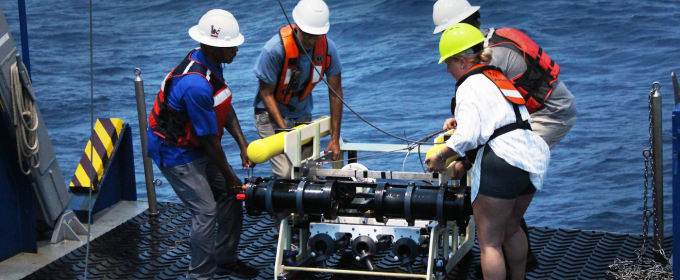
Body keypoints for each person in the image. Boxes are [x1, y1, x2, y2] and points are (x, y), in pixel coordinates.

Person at [432, 0, 578, 274]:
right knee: (507, 207)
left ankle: (508, 262)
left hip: (549, 115)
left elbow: (485, 127)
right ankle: (514, 260)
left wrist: (460, 161)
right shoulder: (490, 43)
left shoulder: (490, 59)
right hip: (533, 115)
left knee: (498, 211)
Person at [425, 24, 550, 280]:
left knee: (490, 242)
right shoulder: (496, 76)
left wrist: (441, 157)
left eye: (448, 63)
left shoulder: (467, 85)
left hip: (502, 161)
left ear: (461, 61)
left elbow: (469, 137)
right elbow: (502, 118)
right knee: (512, 230)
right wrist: (459, 122)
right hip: (530, 155)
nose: (447, 69)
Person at [146, 9, 258, 280]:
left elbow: (222, 105)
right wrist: (230, 176)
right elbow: (209, 141)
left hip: (196, 145)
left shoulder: (210, 62)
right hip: (175, 153)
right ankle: (199, 276)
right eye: (230, 46)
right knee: (206, 210)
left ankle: (225, 259)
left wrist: (243, 143)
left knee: (234, 196)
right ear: (211, 46)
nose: (235, 50)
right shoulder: (195, 84)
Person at [252, 0, 343, 179]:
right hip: (270, 116)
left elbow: (336, 93)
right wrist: (285, 133)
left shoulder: (328, 50)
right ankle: (279, 204)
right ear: (297, 27)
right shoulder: (274, 50)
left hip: (302, 115)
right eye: (306, 35)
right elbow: (266, 94)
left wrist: (335, 138)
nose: (310, 41)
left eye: (316, 36)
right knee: (287, 174)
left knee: (309, 173)